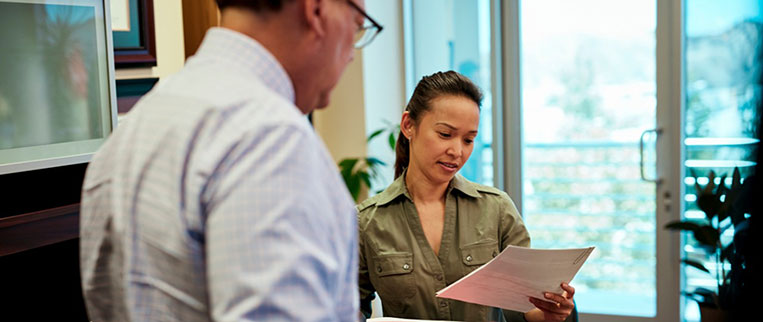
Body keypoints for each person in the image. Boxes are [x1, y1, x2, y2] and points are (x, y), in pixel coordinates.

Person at [79, 0, 382, 320]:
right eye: (357, 23)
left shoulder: (134, 127)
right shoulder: (270, 136)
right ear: (316, 10)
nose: (352, 50)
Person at [357, 71, 576, 322]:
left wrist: (552, 313)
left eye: (469, 139)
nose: (457, 151)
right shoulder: (366, 222)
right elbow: (349, 307)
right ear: (408, 125)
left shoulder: (497, 209)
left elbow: (526, 308)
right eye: (445, 134)